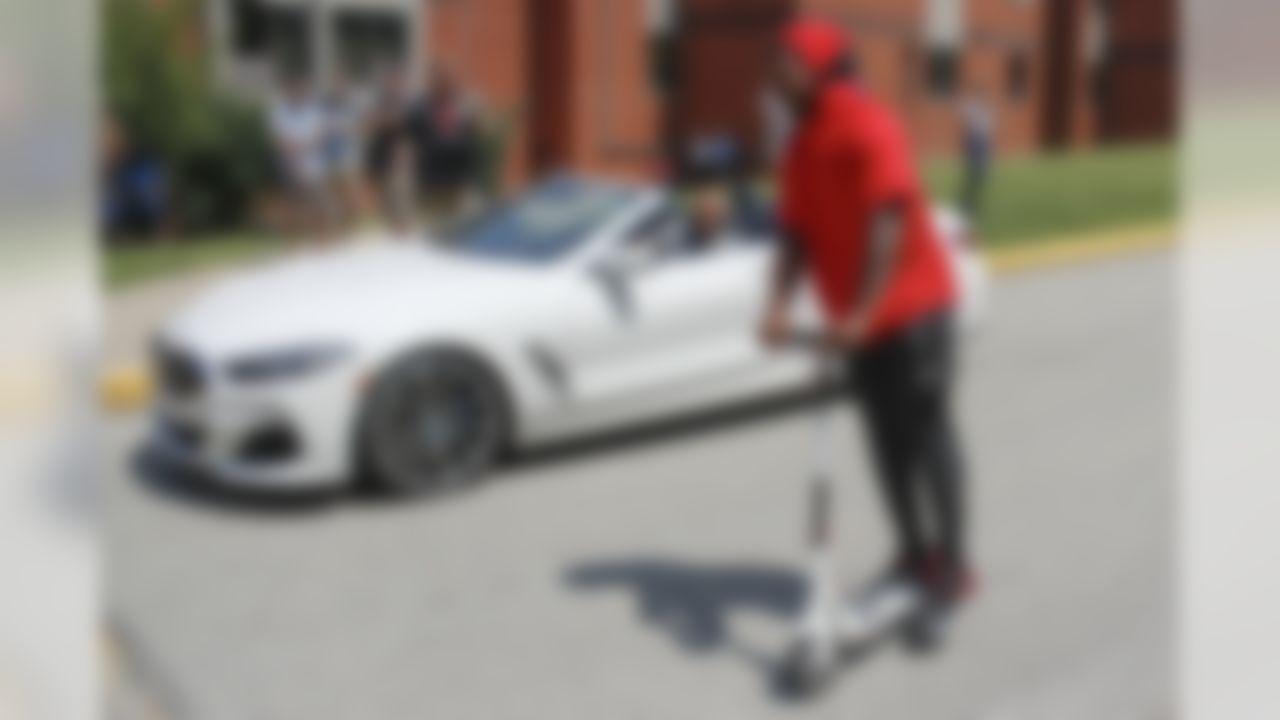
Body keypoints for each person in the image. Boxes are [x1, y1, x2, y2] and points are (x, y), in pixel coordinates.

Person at [759, 18, 974, 643]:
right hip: (859, 324)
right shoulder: (798, 147)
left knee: (929, 437)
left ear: (822, 67)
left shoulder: (869, 124)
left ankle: (953, 573)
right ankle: (914, 555)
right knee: (885, 443)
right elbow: (794, 234)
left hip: (915, 308)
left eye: (787, 62)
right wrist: (777, 305)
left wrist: (860, 311)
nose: (775, 74)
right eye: (774, 62)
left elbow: (889, 217)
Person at [407, 62, 484, 226]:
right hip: (430, 177)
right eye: (439, 80)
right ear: (432, 82)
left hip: (458, 176)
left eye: (447, 80)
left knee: (458, 225)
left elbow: (474, 136)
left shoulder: (464, 105)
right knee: (431, 224)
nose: (443, 84)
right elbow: (412, 139)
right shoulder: (420, 107)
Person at [269, 72, 332, 244]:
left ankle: (321, 238)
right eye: (293, 90)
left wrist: (304, 147)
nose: (297, 93)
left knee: (318, 203)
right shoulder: (280, 111)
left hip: (313, 165)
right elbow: (278, 138)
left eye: (300, 89)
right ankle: (292, 240)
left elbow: (321, 134)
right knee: (291, 204)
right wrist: (294, 150)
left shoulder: (314, 110)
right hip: (289, 164)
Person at [959, 86, 994, 220]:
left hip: (983, 143)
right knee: (972, 176)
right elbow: (967, 127)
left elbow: (989, 130)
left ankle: (973, 205)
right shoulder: (972, 109)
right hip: (975, 142)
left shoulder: (986, 110)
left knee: (981, 176)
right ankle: (966, 205)